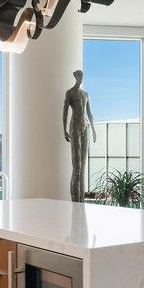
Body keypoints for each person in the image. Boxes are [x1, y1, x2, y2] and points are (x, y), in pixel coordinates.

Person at [62, 70, 96, 202]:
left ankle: (81, 199)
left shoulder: (86, 94)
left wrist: (93, 130)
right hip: (74, 127)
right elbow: (64, 112)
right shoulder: (70, 93)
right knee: (77, 167)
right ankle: (74, 200)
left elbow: (90, 113)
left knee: (83, 166)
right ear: (75, 77)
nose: (81, 79)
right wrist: (64, 129)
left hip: (85, 127)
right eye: (79, 76)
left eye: (82, 76)